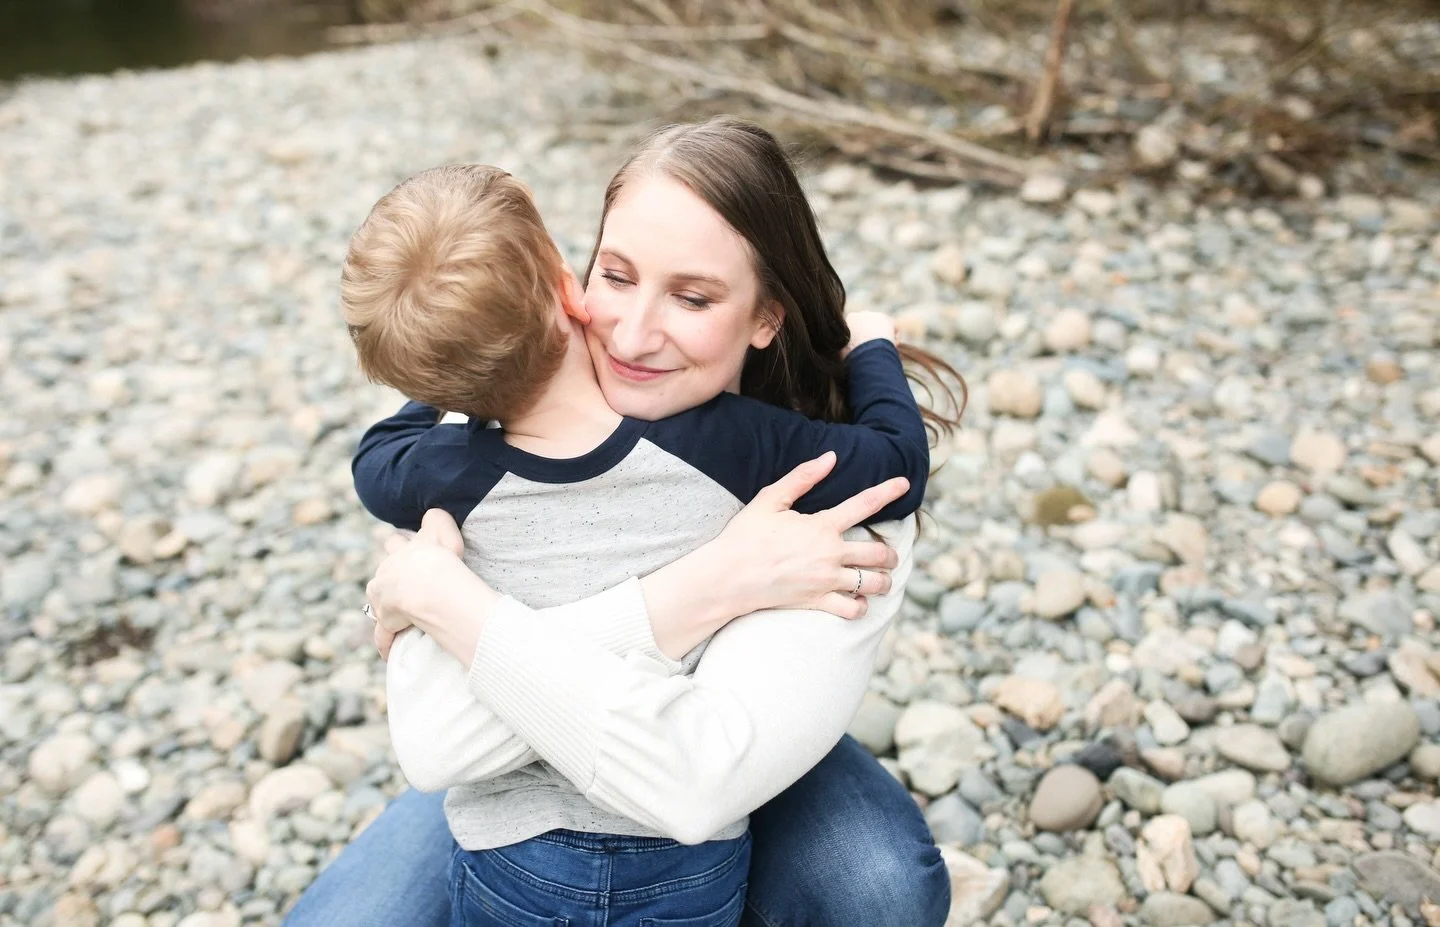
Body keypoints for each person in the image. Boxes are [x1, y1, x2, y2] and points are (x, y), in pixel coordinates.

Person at [284, 116, 965, 927]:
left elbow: (691, 776)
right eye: (616, 275)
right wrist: (703, 588)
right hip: (518, 771)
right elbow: (434, 748)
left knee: (875, 884)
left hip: (717, 743)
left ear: (766, 316)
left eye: (693, 296)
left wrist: (445, 596)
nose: (635, 337)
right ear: (569, 278)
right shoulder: (673, 437)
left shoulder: (820, 490)